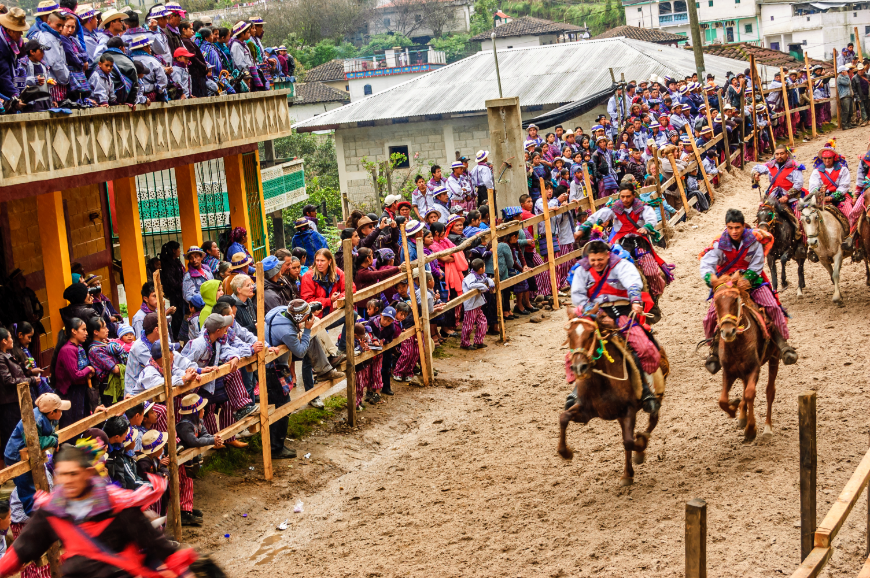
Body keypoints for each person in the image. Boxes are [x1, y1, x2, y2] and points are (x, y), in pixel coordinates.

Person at [0, 443, 199, 576]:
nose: (66, 481)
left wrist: (182, 570)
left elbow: (156, 544)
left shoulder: (119, 505)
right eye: (62, 475)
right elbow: (22, 549)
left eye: (73, 474)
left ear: (87, 473)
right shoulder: (52, 511)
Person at [570, 240, 660, 413]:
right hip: (594, 312)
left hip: (621, 311)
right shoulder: (581, 270)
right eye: (593, 260)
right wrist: (598, 315)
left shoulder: (621, 265)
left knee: (642, 346)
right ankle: (577, 391)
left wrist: (635, 301)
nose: (596, 263)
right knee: (577, 348)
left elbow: (633, 283)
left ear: (607, 255)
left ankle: (646, 390)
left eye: (600, 259)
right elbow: (578, 296)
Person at [579, 183, 673, 300]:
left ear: (634, 195)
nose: (625, 199)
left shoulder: (643, 207)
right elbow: (599, 215)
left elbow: (651, 219)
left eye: (628, 196)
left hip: (639, 244)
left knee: (652, 272)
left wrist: (646, 227)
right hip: (620, 244)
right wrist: (583, 228)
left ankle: (653, 299)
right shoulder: (614, 208)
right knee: (604, 268)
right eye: (622, 196)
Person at [264, 300, 344, 432]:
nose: (309, 316)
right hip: (274, 366)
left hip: (278, 357)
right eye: (307, 315)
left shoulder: (280, 310)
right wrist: (306, 329)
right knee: (282, 407)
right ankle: (276, 446)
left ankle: (325, 369)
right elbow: (300, 352)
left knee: (310, 336)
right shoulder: (287, 331)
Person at [3, 393, 66, 516]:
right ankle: (34, 517)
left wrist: (53, 437)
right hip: (17, 457)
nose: (62, 412)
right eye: (60, 410)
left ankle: (41, 511)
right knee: (27, 489)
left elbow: (48, 434)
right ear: (52, 412)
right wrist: (53, 440)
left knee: (37, 484)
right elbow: (34, 443)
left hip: (32, 456)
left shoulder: (48, 417)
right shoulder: (34, 421)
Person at [176, 392, 221, 526]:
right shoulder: (184, 426)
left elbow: (205, 434)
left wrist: (213, 439)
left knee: (189, 483)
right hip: (181, 461)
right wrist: (212, 440)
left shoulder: (199, 421)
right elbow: (194, 441)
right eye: (201, 408)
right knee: (183, 484)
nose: (204, 409)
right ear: (194, 411)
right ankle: (183, 512)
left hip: (190, 460)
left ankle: (187, 509)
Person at [49, 317, 95, 427]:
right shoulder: (68, 350)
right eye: (83, 330)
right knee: (73, 423)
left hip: (80, 390)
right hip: (70, 392)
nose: (86, 333)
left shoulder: (78, 347)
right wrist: (88, 369)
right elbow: (75, 375)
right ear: (74, 331)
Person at [0, 327, 40, 452]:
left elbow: (17, 374)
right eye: (10, 337)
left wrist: (27, 370)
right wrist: (32, 381)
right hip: (9, 404)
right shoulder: (1, 358)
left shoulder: (7, 355)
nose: (12, 340)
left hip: (15, 400)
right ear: (4, 340)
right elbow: (9, 381)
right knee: (12, 434)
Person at [84, 317, 126, 407]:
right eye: (104, 327)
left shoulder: (107, 344)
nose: (107, 330)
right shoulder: (95, 350)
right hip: (109, 388)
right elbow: (115, 370)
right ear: (96, 332)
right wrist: (131, 367)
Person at [459, 259, 494, 350]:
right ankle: (465, 343)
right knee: (468, 325)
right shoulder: (470, 277)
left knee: (483, 322)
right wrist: (483, 286)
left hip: (478, 304)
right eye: (484, 266)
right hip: (471, 305)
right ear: (481, 268)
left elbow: (486, 279)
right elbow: (471, 285)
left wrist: (490, 282)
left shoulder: (481, 276)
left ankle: (479, 341)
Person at [0, 8, 28, 107]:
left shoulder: (12, 43)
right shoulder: (1, 47)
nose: (21, 34)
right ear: (10, 31)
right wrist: (14, 96)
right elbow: (3, 75)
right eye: (19, 31)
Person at [159, 241, 186, 338]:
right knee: (177, 316)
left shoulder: (177, 262)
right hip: (175, 294)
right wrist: (183, 285)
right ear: (174, 250)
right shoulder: (169, 265)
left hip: (180, 293)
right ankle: (176, 336)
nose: (180, 251)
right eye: (178, 249)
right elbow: (172, 282)